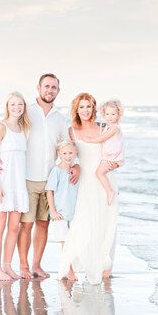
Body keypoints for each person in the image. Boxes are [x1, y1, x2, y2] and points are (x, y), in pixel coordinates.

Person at [0, 74, 80, 279]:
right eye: (46, 86)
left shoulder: (60, 119)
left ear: (58, 91)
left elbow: (67, 146)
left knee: (44, 223)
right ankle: (23, 266)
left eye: (53, 87)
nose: (49, 90)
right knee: (26, 224)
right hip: (26, 178)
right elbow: (9, 132)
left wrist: (76, 165)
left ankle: (36, 265)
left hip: (51, 179)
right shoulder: (27, 112)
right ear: (38, 88)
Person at [58, 93, 119, 285]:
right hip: (84, 182)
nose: (85, 110)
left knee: (106, 221)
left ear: (94, 109)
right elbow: (67, 156)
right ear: (76, 109)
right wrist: (74, 167)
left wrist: (116, 164)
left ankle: (105, 265)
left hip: (104, 180)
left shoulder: (104, 127)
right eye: (82, 107)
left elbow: (116, 150)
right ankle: (87, 262)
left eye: (89, 106)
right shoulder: (71, 131)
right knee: (85, 221)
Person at [0, 92, 31, 281]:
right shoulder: (1, 127)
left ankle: (7, 267)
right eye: (13, 104)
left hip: (18, 183)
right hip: (3, 182)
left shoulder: (23, 128)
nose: (17, 107)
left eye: (20, 104)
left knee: (14, 227)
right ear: (7, 106)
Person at [45, 140, 79, 280]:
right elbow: (49, 191)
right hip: (60, 214)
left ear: (75, 153)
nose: (68, 156)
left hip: (74, 213)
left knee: (73, 241)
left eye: (70, 153)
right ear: (59, 154)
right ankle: (69, 270)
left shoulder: (74, 172)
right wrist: (53, 211)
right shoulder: (56, 171)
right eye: (64, 153)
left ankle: (70, 268)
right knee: (65, 242)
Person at [84, 100, 124, 206]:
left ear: (118, 114)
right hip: (110, 157)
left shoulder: (114, 128)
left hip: (112, 157)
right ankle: (113, 189)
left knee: (99, 173)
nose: (110, 116)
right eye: (107, 114)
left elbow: (102, 138)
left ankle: (110, 191)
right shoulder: (108, 126)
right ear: (103, 114)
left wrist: (89, 140)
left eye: (113, 114)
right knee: (105, 173)